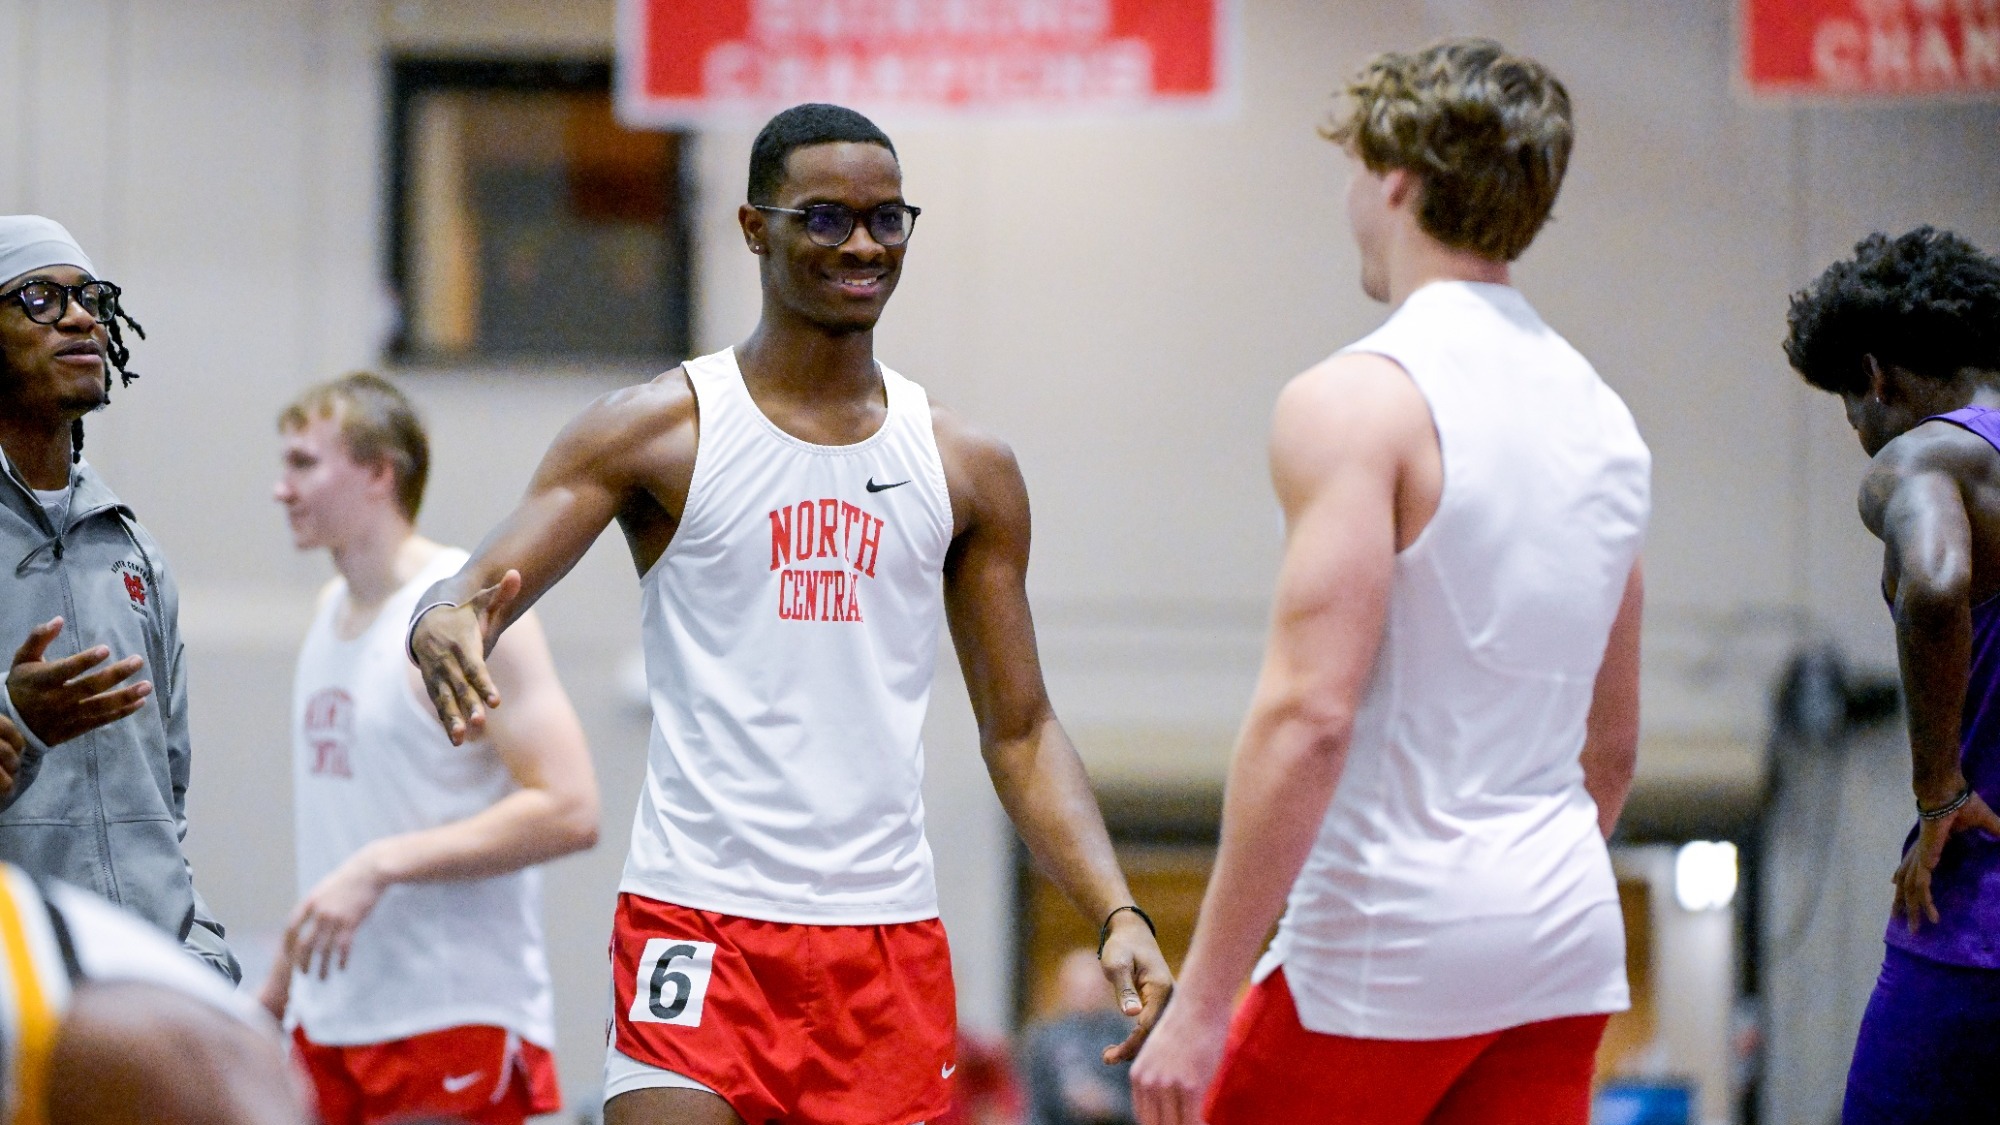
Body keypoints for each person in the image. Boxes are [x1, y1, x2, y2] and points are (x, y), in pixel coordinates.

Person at [407, 102, 1174, 1125]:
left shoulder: (965, 467)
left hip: (882, 941)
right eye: (824, 218)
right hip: (696, 919)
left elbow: (1022, 730)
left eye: (886, 218)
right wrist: (442, 614)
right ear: (753, 228)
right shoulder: (658, 432)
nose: (861, 244)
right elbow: (474, 585)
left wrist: (1117, 909)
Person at [1131, 39, 1649, 1125]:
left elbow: (1309, 716)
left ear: (1396, 180)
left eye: (1352, 171)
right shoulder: (1604, 419)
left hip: (1388, 940)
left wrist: (1203, 1002)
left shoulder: (1359, 400)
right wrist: (1511, 899)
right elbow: (1610, 749)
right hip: (1560, 939)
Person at [258, 373, 600, 1125]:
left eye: (304, 463)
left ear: (379, 473)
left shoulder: (464, 617)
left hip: (450, 1015)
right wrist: (275, 993)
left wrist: (381, 865)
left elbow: (571, 808)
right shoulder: (327, 611)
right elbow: (344, 830)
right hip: (331, 1019)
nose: (282, 489)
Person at [1781, 227, 2000, 1125]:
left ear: (1876, 377)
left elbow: (1937, 580)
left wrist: (1938, 786)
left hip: (1978, 936)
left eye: (1851, 415)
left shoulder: (1924, 457)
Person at [0, 215, 237, 980]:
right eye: (39, 297)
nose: (78, 318)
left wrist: (200, 950)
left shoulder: (131, 551)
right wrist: (16, 720)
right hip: (24, 992)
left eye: (92, 299)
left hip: (149, 983)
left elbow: (165, 798)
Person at [1023, 949, 1138, 1125]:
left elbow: (1144, 1106)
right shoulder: (1044, 1039)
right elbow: (1034, 1105)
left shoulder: (1128, 1037)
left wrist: (1109, 1104)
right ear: (1063, 989)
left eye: (1094, 988)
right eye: (1079, 989)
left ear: (1107, 989)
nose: (1087, 996)